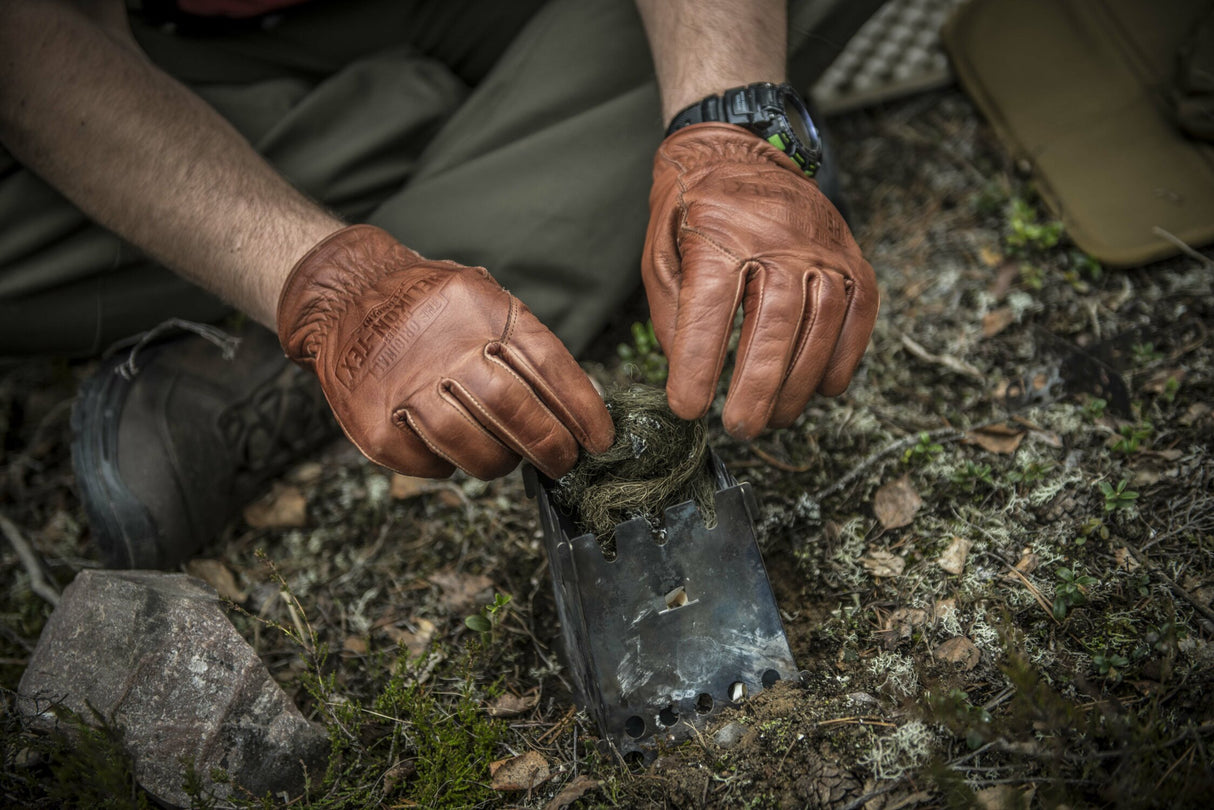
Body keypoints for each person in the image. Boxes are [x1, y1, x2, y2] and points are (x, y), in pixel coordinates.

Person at [0, 0, 881, 568]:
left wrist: (727, 120)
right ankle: (441, 162)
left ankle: (372, 161)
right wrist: (324, 283)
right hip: (156, 45)